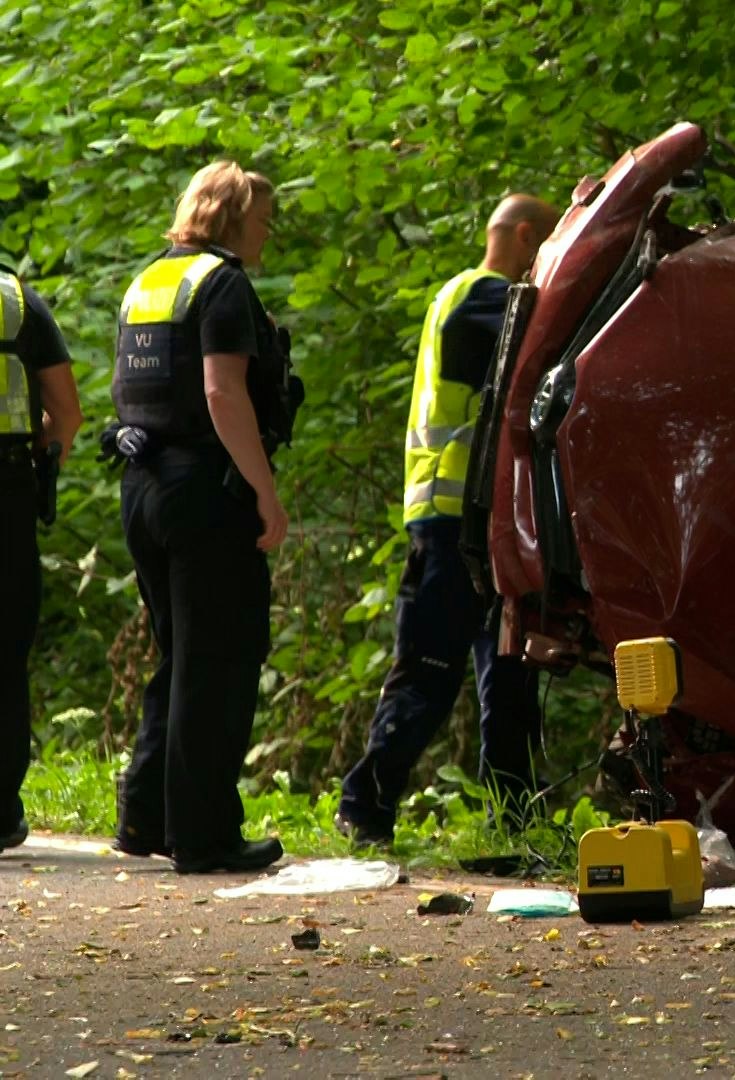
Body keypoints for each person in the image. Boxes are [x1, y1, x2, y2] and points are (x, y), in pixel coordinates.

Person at [336, 194, 559, 846]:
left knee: (510, 674)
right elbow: (551, 336)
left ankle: (513, 823)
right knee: (431, 672)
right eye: (549, 248)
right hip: (450, 520)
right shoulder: (481, 298)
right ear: (525, 237)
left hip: (482, 522)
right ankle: (363, 808)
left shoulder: (471, 299)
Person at [111, 161, 301, 874]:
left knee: (182, 656)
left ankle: (145, 816)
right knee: (218, 661)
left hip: (144, 486)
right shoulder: (223, 284)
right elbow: (223, 393)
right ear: (231, 217)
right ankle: (205, 835)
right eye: (262, 220)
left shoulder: (151, 281)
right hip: (204, 490)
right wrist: (264, 491)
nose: (267, 233)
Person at [0, 267, 82, 850]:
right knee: (5, 649)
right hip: (5, 493)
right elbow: (67, 414)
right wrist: (39, 462)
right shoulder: (15, 301)